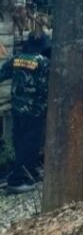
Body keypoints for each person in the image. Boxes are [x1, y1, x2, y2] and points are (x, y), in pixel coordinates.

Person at [3, 33, 50, 193]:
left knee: (19, 141)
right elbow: (46, 87)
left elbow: (2, 74)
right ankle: (17, 181)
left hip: (16, 108)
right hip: (34, 110)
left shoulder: (16, 58)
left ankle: (28, 172)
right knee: (30, 144)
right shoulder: (43, 62)